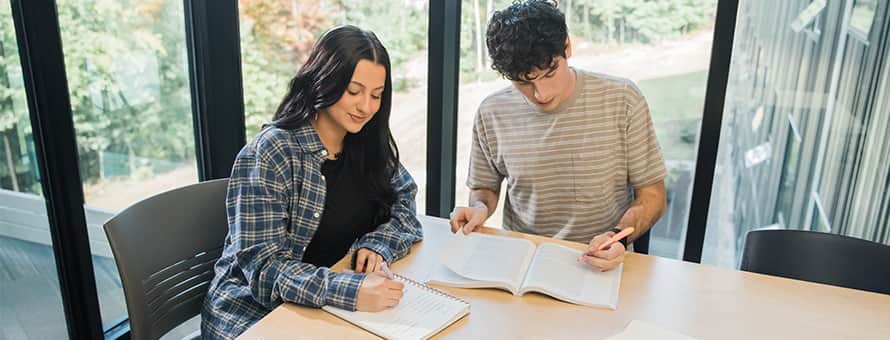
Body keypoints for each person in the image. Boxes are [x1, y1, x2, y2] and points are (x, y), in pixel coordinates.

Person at [202, 25, 423, 339]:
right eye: (354, 91)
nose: (366, 107)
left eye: (376, 95)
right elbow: (264, 269)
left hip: (324, 308)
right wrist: (348, 290)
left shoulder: (365, 143)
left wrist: (378, 246)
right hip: (254, 314)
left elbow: (405, 203)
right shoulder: (272, 152)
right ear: (325, 81)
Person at [450, 0, 667, 272]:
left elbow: (653, 195)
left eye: (550, 73)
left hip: (599, 263)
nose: (541, 94)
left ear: (567, 47)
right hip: (522, 262)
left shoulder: (623, 99)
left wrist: (616, 236)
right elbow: (484, 188)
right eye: (523, 83)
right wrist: (479, 209)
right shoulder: (491, 112)